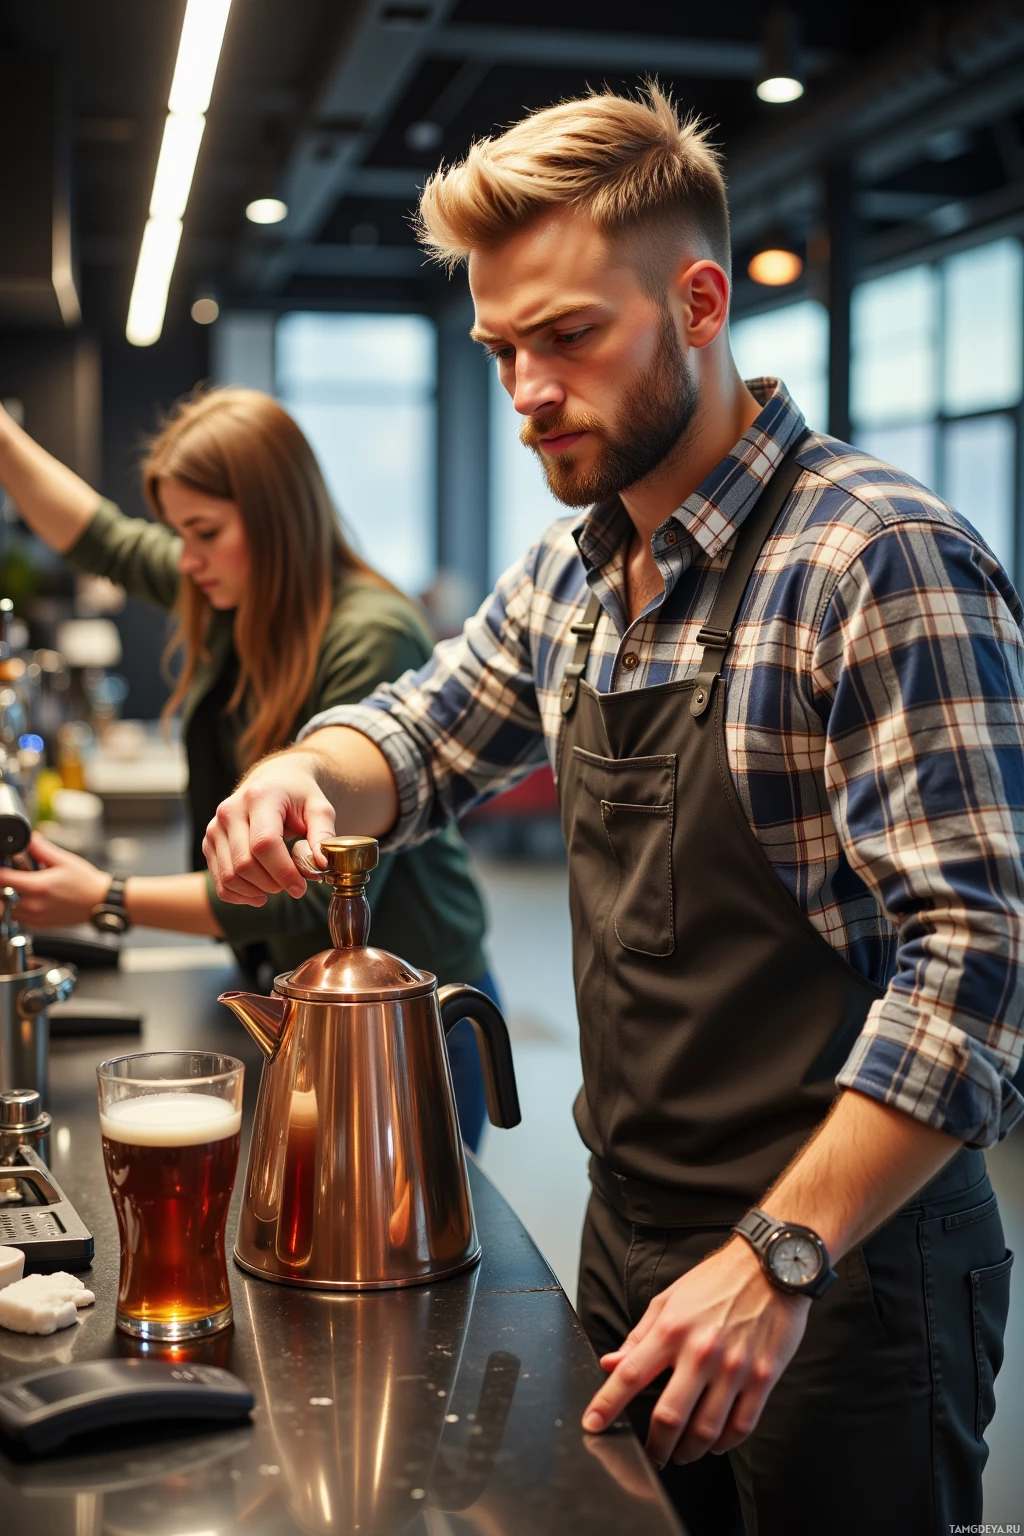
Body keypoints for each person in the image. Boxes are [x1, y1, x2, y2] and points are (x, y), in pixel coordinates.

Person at [202, 88, 1024, 1536]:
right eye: (500, 348)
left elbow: (981, 965)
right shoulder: (577, 577)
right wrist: (300, 768)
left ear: (699, 302)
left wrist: (778, 1255)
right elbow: (419, 736)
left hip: (845, 1271)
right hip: (629, 1231)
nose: (525, 390)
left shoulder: (876, 561)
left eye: (569, 336)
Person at [0, 388, 496, 1149]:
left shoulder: (369, 633)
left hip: (405, 1010)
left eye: (204, 532)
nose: (185, 558)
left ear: (276, 521)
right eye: (177, 533)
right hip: (309, 991)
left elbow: (305, 896)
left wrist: (107, 898)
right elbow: (96, 536)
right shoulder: (236, 588)